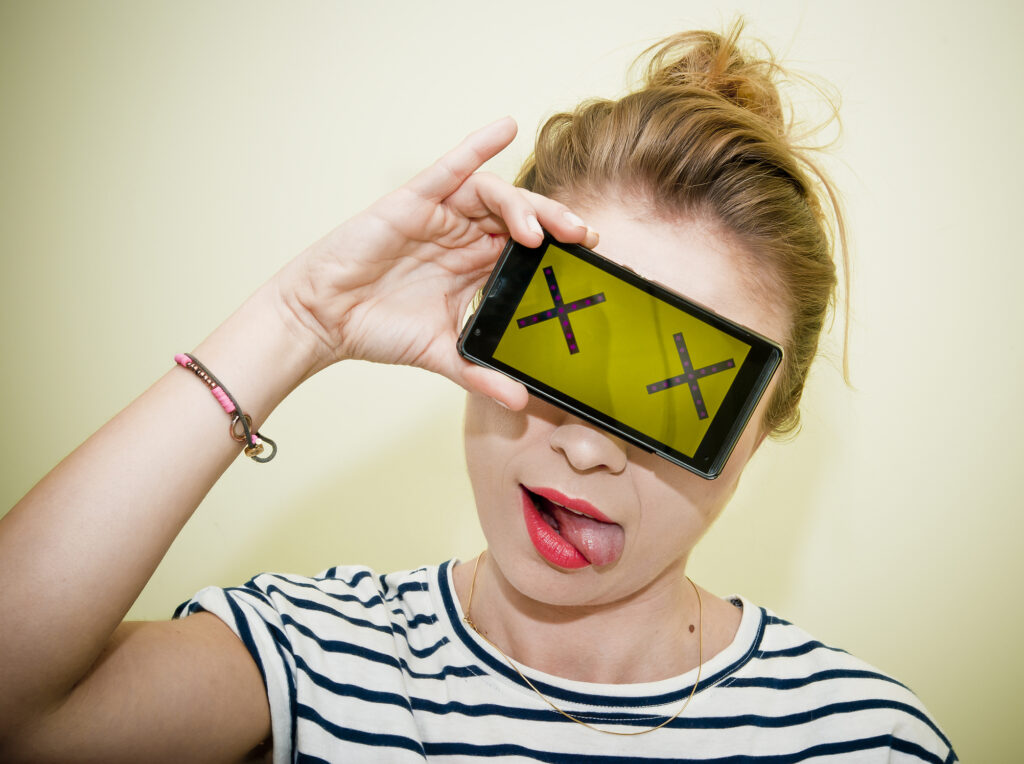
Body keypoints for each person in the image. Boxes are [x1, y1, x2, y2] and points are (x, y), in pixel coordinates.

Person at [0, 24, 956, 763]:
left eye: (678, 393)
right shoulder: (312, 658)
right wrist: (296, 322)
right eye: (571, 343)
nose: (587, 449)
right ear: (489, 312)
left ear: (764, 429)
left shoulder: (862, 737)